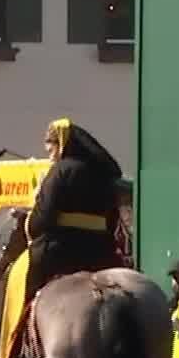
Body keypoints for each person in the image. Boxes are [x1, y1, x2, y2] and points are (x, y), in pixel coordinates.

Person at [22, 119, 125, 305]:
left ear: (62, 144)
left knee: (21, 281)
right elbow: (113, 218)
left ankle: (20, 328)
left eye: (51, 146)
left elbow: (44, 214)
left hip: (60, 251)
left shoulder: (61, 170)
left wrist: (31, 226)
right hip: (101, 252)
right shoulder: (104, 173)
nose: (49, 152)